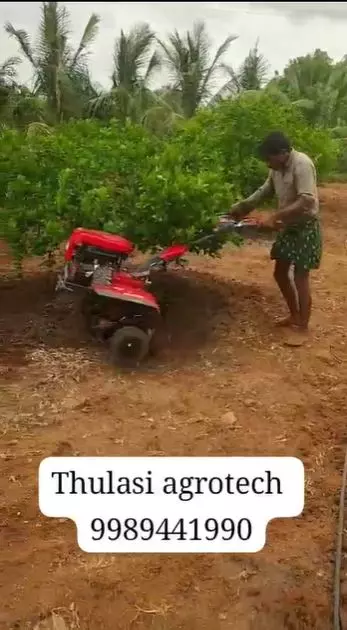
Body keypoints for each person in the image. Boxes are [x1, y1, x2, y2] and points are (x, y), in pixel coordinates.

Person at [221, 131, 322, 341]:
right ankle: (294, 315)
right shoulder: (277, 169)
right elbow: (265, 191)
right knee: (280, 272)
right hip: (288, 227)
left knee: (301, 276)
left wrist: (276, 216)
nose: (268, 164)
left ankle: (303, 325)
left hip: (305, 227)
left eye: (269, 159)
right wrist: (242, 207)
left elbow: (307, 201)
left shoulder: (302, 164)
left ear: (283, 153)